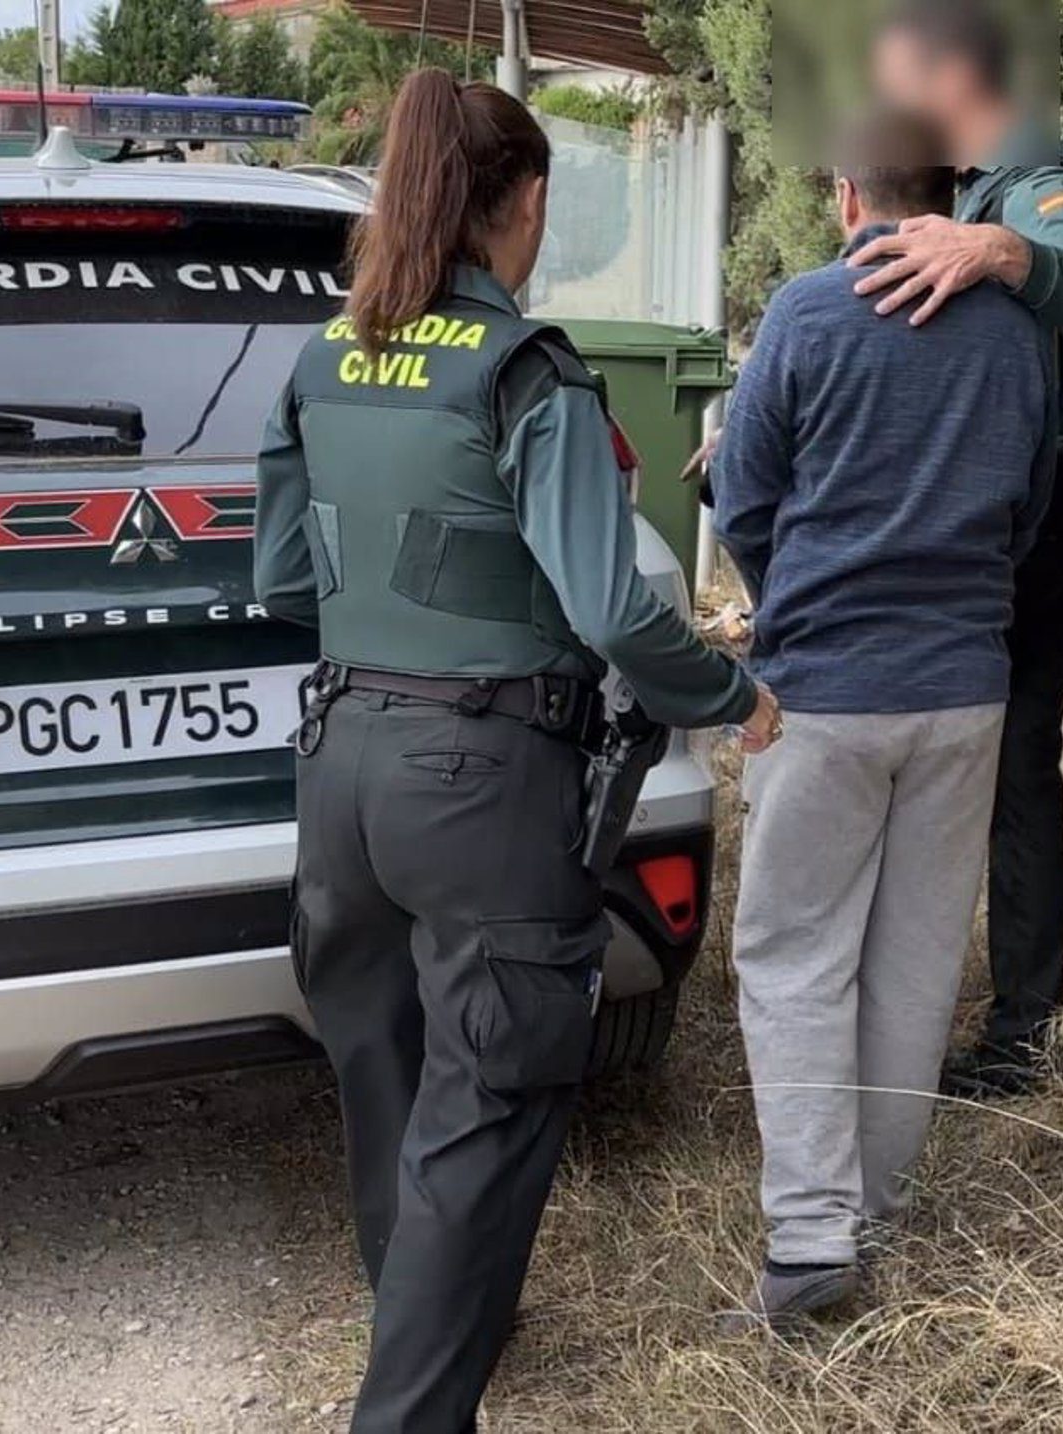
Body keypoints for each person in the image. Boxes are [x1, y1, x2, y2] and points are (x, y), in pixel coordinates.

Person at [252, 69, 780, 1433]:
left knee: (390, 1084)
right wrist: (730, 693)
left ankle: (421, 1327)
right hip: (483, 785)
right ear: (527, 202)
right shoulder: (519, 368)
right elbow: (616, 610)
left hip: (341, 769)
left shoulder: (324, 355)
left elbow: (282, 580)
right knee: (486, 1112)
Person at [710, 110, 1056, 1326]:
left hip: (828, 692)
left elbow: (744, 498)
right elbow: (1029, 510)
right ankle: (875, 1213)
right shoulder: (1016, 333)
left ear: (849, 196)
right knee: (915, 959)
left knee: (797, 957)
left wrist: (789, 606)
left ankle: (811, 1242)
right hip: (964, 689)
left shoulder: (808, 312)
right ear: (954, 198)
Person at [855, 0, 1063, 1097]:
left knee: (1003, 760)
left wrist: (1006, 249)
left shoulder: (1034, 180)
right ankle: (1005, 1016)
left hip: (1051, 503)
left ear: (949, 75)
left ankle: (1023, 1036)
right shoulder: (974, 189)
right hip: (1017, 500)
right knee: (995, 757)